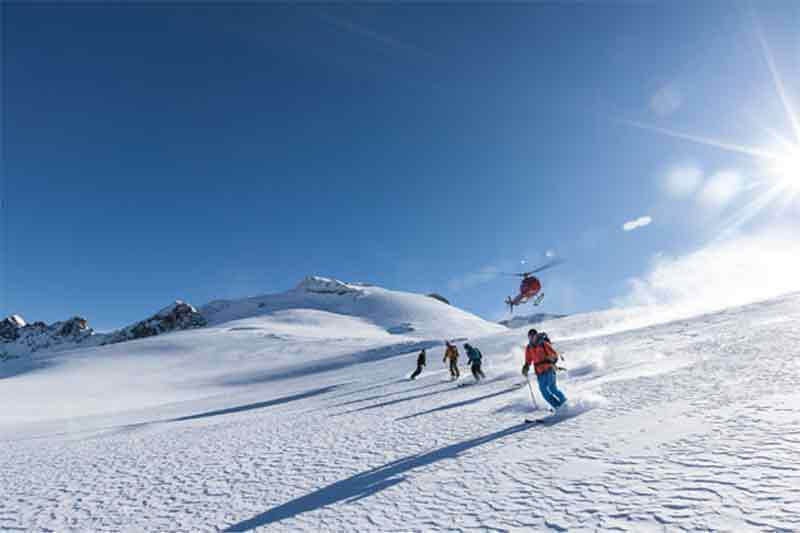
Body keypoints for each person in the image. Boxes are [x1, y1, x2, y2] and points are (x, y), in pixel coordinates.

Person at [522, 328, 567, 410]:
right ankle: (558, 407)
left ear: (537, 336)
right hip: (539, 373)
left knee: (552, 389)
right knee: (544, 392)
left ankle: (565, 403)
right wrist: (526, 367)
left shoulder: (544, 344)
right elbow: (528, 360)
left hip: (549, 369)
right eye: (530, 337)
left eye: (533, 336)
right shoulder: (529, 348)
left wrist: (550, 360)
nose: (532, 338)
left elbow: (554, 355)